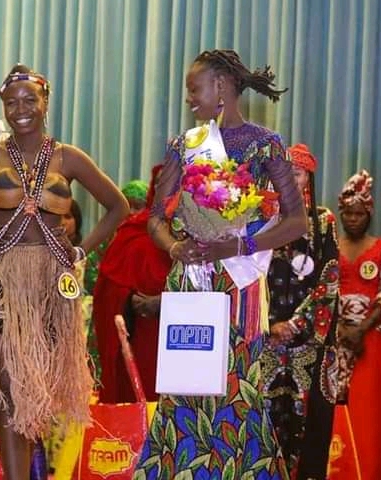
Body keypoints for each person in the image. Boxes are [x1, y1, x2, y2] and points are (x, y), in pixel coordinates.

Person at [0, 64, 129, 479]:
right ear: (2, 107)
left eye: (29, 100)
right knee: (10, 385)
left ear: (45, 103)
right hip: (0, 281)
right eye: (11, 102)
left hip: (48, 284)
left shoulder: (68, 158)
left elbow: (119, 207)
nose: (20, 109)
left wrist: (80, 250)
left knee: (33, 392)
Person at [134, 49, 308, 479]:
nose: (190, 98)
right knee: (184, 384)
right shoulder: (185, 145)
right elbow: (156, 218)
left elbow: (296, 220)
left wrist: (240, 245)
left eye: (195, 88)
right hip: (191, 277)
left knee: (236, 385)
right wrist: (175, 248)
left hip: (239, 280)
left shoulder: (267, 143)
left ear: (222, 87)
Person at [260, 144, 339, 479]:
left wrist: (295, 324)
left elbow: (329, 278)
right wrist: (270, 325)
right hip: (267, 340)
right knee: (265, 421)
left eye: (298, 172)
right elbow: (250, 278)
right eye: (284, 172)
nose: (291, 179)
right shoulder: (260, 220)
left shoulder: (322, 222)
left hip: (309, 344)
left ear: (308, 178)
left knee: (308, 425)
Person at [92, 165, 172, 403]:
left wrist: (168, 303)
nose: (165, 187)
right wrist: (128, 300)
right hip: (139, 339)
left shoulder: (204, 234)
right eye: (159, 182)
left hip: (183, 342)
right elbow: (106, 290)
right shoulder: (133, 231)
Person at [327, 170, 381, 479]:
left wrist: (361, 330)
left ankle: (370, 469)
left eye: (359, 213)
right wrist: (338, 330)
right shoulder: (330, 248)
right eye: (347, 213)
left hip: (370, 341)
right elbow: (322, 292)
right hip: (335, 340)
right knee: (333, 406)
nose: (352, 219)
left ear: (369, 214)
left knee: (369, 410)